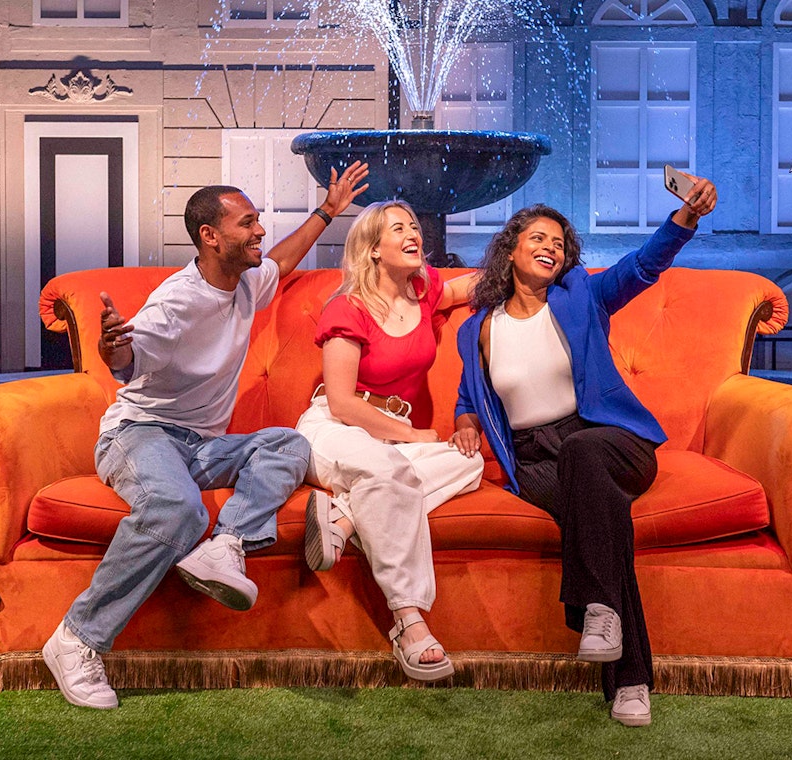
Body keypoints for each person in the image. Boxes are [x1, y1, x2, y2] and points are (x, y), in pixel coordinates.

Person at [42, 163, 370, 709]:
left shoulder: (245, 279)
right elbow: (127, 359)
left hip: (200, 443)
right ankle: (77, 638)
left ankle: (228, 546)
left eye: (258, 221)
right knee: (179, 512)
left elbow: (283, 261)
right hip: (139, 433)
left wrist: (328, 211)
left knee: (288, 444)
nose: (260, 231)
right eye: (247, 223)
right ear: (210, 237)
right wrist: (111, 345)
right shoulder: (177, 301)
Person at [450, 175, 717, 725]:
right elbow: (467, 391)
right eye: (538, 239)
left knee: (584, 458)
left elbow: (641, 267)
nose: (551, 248)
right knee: (606, 524)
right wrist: (465, 419)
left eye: (559, 243)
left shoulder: (580, 297)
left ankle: (593, 611)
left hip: (610, 439)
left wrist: (685, 218)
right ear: (510, 250)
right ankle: (630, 680)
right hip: (534, 458)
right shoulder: (477, 328)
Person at [296, 200, 484, 682]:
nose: (413, 233)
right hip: (336, 429)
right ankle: (408, 619)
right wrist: (412, 432)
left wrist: (542, 268)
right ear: (373, 249)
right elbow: (341, 403)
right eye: (397, 227)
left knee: (469, 463)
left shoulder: (425, 294)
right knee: (387, 469)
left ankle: (344, 515)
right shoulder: (348, 308)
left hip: (394, 449)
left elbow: (478, 283)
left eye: (415, 225)